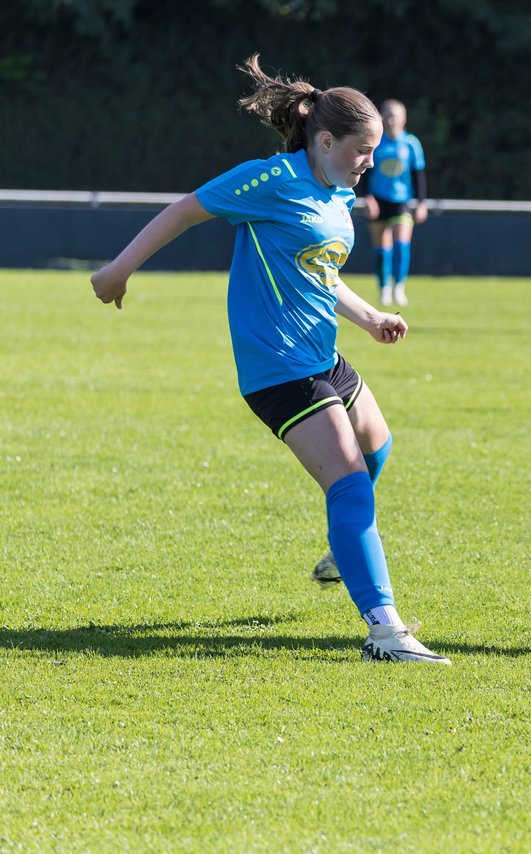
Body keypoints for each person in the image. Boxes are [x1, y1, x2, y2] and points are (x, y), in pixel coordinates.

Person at [89, 55, 449, 664]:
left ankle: (345, 551)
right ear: (326, 140)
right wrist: (119, 268)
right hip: (278, 366)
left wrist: (370, 318)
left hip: (322, 353)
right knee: (351, 486)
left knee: (378, 444)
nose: (372, 163)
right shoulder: (272, 180)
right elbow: (187, 209)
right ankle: (386, 632)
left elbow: (319, 272)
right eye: (363, 151)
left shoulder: (337, 196)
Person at [361, 99, 427, 307]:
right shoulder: (376, 142)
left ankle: (399, 287)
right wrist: (368, 198)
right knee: (382, 249)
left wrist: (422, 203)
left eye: (394, 115)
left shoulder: (411, 143)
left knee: (401, 244)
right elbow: (365, 172)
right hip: (379, 200)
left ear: (403, 118)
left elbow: (419, 176)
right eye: (386, 114)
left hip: (401, 201)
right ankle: (384, 289)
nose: (390, 119)